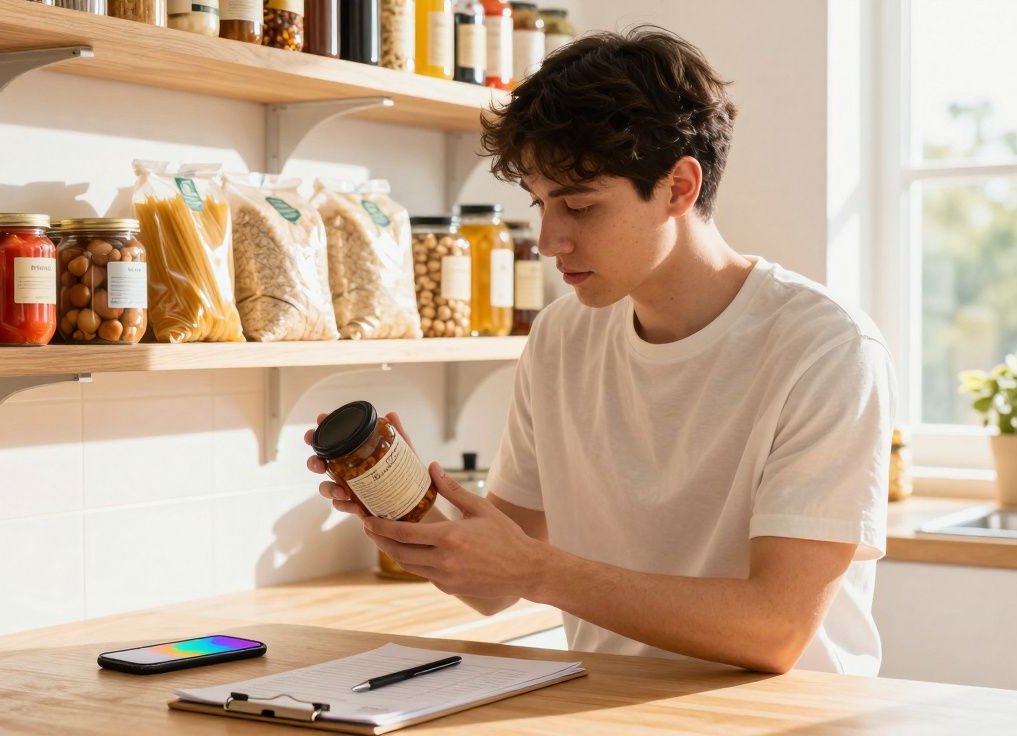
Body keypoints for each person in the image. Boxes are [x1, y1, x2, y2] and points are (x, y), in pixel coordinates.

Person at [306, 25, 894, 676]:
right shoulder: (560, 339)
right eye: (540, 204)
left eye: (580, 207)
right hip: (609, 708)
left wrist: (537, 569)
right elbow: (496, 583)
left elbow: (774, 630)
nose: (549, 238)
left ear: (679, 187)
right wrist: (404, 512)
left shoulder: (825, 348)